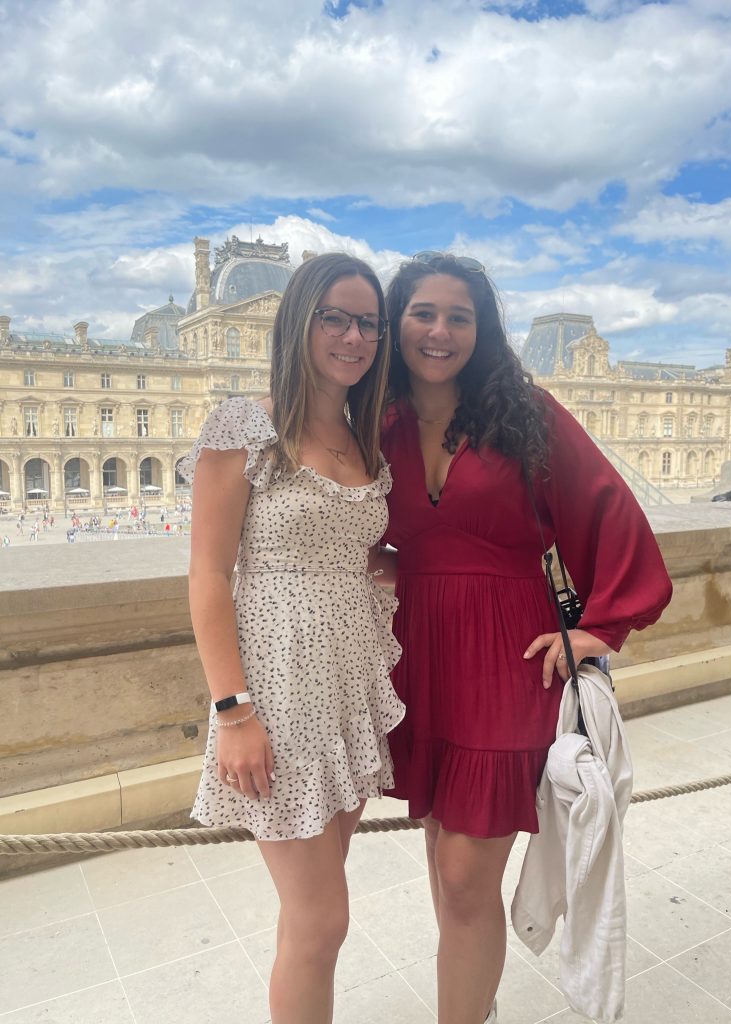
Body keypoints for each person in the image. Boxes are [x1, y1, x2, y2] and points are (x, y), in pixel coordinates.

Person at [377, 252, 673, 1024]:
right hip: (421, 657)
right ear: (395, 322)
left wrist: (597, 629)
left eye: (459, 316)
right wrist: (388, 558)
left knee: (469, 877)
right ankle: (476, 1007)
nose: (440, 331)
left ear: (484, 329)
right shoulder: (380, 420)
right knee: (446, 868)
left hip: (507, 660)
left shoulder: (525, 416)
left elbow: (613, 513)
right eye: (423, 313)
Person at [180, 253, 405, 1024]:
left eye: (368, 321)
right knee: (322, 920)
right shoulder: (246, 426)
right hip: (276, 695)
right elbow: (208, 576)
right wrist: (234, 712)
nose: (354, 335)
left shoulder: (360, 433)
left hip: (346, 685)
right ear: (298, 321)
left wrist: (392, 567)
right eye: (334, 317)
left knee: (314, 909)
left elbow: (361, 549)